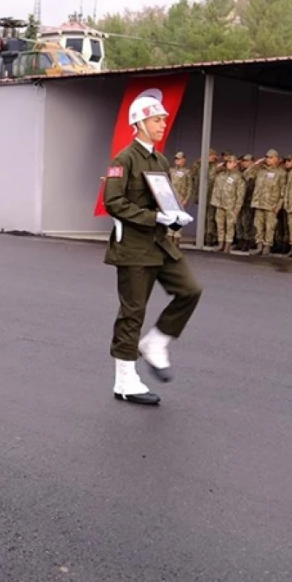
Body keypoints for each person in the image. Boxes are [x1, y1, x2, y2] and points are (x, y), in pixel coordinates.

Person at [101, 95, 202, 406]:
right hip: (133, 246)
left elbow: (164, 197)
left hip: (160, 243)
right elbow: (113, 203)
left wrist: (174, 216)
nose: (162, 124)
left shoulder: (159, 161)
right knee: (133, 312)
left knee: (190, 290)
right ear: (140, 123)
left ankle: (156, 342)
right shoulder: (123, 160)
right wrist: (154, 217)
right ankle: (125, 380)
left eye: (163, 119)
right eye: (157, 119)